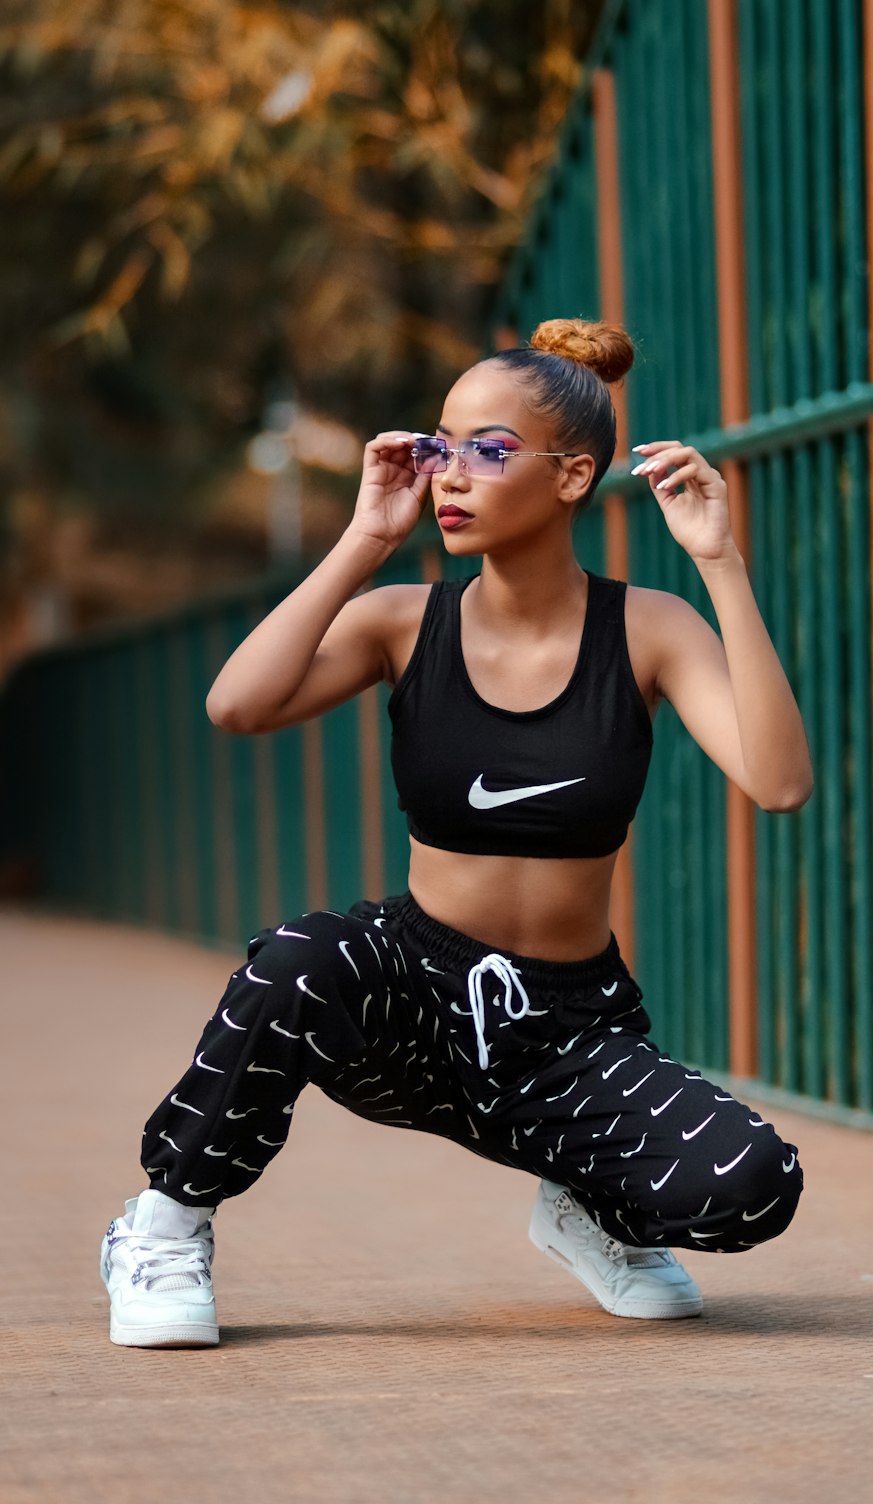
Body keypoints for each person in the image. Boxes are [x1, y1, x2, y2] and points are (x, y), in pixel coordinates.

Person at [100, 318, 812, 1347]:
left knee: (753, 1183)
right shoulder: (403, 620)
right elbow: (235, 706)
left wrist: (721, 562)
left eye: (488, 450)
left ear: (572, 478)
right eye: (441, 446)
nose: (450, 476)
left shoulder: (649, 627)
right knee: (301, 957)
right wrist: (365, 538)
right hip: (414, 999)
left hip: (570, 1029)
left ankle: (586, 1202)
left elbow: (779, 781)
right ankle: (163, 1224)